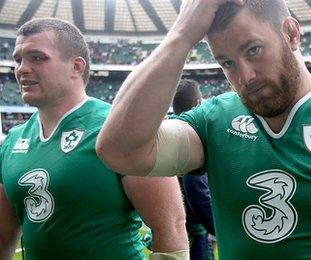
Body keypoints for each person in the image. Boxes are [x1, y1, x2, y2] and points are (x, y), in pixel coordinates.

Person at [96, 0, 311, 259]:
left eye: (254, 50)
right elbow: (120, 150)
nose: (244, 76)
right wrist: (181, 37)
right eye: (227, 63)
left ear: (292, 33)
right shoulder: (213, 122)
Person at [0, 18, 188, 259]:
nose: (22, 69)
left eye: (37, 57)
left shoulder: (122, 128)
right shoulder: (13, 141)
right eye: (18, 59)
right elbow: (4, 236)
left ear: (76, 67)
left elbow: (170, 228)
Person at [173, 79, 217, 260]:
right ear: (198, 103)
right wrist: (220, 229)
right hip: (194, 236)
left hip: (178, 231)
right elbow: (197, 191)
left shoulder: (170, 131)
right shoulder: (190, 134)